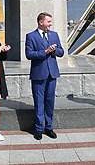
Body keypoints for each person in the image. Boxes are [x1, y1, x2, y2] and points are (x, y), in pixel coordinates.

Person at [25, 12, 64, 140]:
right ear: (41, 22)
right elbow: (29, 54)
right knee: (39, 102)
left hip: (52, 74)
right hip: (38, 74)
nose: (50, 24)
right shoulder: (31, 36)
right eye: (48, 22)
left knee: (50, 101)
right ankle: (38, 129)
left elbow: (61, 52)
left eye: (51, 22)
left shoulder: (54, 35)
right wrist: (45, 52)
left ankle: (49, 127)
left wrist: (54, 50)